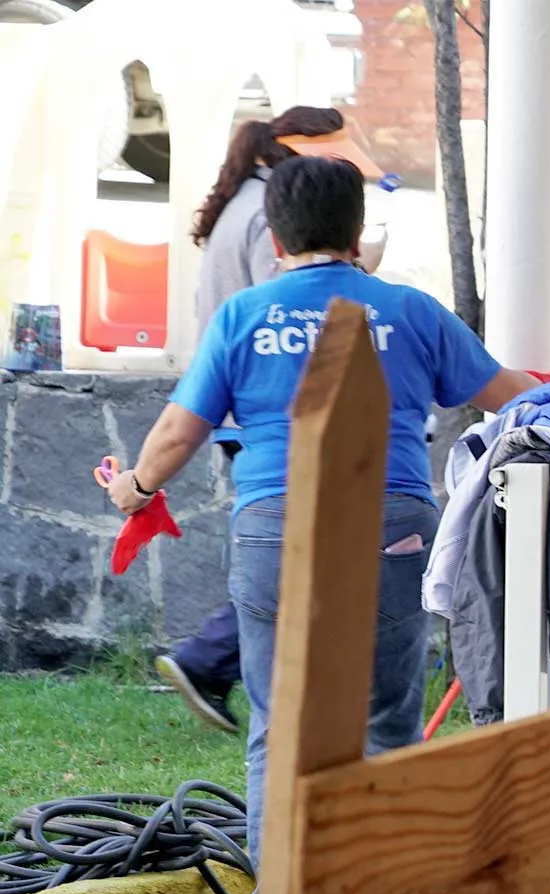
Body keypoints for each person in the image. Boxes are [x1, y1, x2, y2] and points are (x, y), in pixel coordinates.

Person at [106, 156, 537, 894]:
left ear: (274, 235)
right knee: (385, 723)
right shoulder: (411, 311)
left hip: (276, 528)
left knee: (281, 728)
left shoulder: (245, 315)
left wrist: (134, 488)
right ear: (356, 235)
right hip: (391, 525)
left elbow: (176, 432)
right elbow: (512, 394)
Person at [154, 106, 387, 734]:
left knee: (288, 562)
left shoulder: (241, 203)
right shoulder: (264, 216)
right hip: (281, 424)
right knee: (294, 563)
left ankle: (221, 665)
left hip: (247, 418)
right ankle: (207, 660)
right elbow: (294, 314)